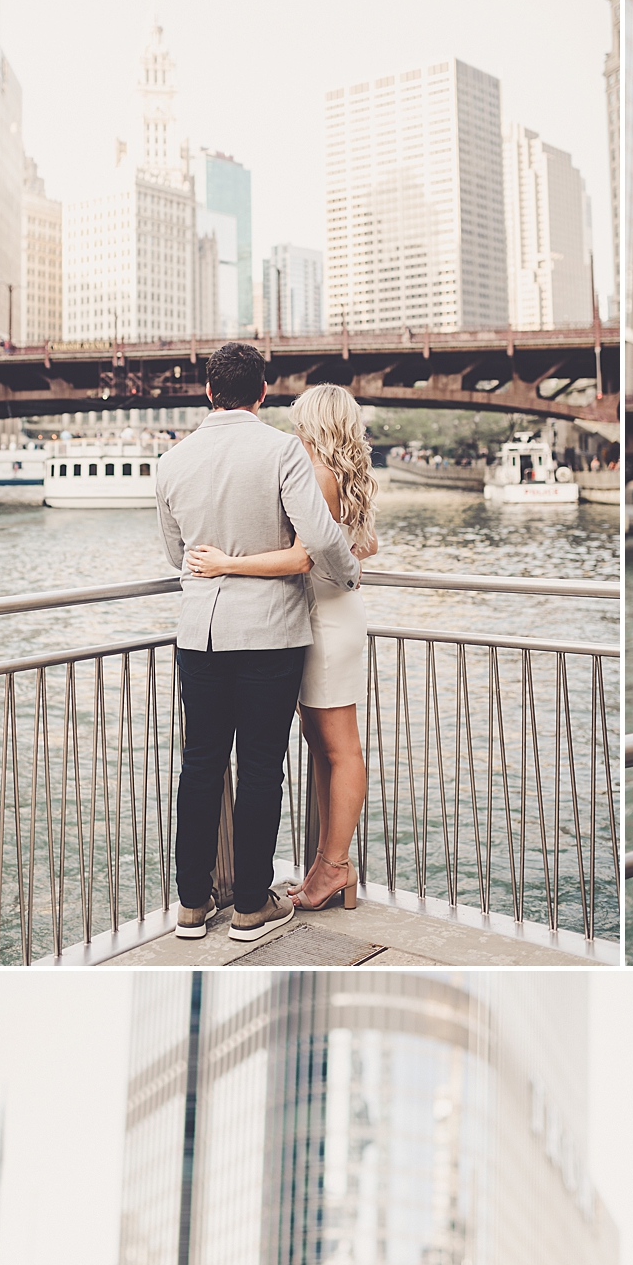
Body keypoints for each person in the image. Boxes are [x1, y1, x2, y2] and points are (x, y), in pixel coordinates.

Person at [155, 343, 358, 944]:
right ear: (263, 394)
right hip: (271, 634)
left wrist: (217, 565)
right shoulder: (281, 451)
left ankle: (192, 905)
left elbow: (177, 555)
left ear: (207, 393)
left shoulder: (172, 460)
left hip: (200, 633)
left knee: (200, 765)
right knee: (262, 767)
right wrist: (349, 575)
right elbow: (320, 537)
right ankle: (249, 904)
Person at [186, 385, 378, 912]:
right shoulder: (337, 475)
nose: (291, 429)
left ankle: (335, 866)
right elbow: (364, 545)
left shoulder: (315, 475)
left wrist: (227, 564)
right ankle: (327, 862)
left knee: (340, 747)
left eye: (299, 421)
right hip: (324, 614)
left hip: (321, 621)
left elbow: (300, 559)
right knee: (323, 745)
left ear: (315, 425)